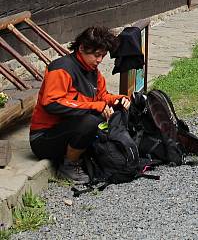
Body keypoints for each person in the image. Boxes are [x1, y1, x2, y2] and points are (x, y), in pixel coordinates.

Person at [29, 26, 130, 183]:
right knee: (91, 121)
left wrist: (118, 100)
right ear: (81, 48)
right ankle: (69, 166)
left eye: (103, 56)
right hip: (43, 139)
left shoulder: (94, 72)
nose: (99, 60)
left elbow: (102, 96)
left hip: (68, 129)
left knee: (108, 113)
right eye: (96, 55)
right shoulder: (61, 68)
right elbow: (52, 103)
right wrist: (95, 106)